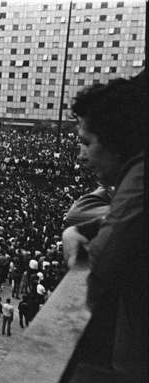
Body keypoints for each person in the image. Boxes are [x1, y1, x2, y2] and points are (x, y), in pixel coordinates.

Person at [62, 75, 147, 366]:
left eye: (86, 143)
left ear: (115, 140)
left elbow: (98, 274)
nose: (81, 155)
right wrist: (78, 230)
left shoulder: (139, 182)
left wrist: (73, 235)